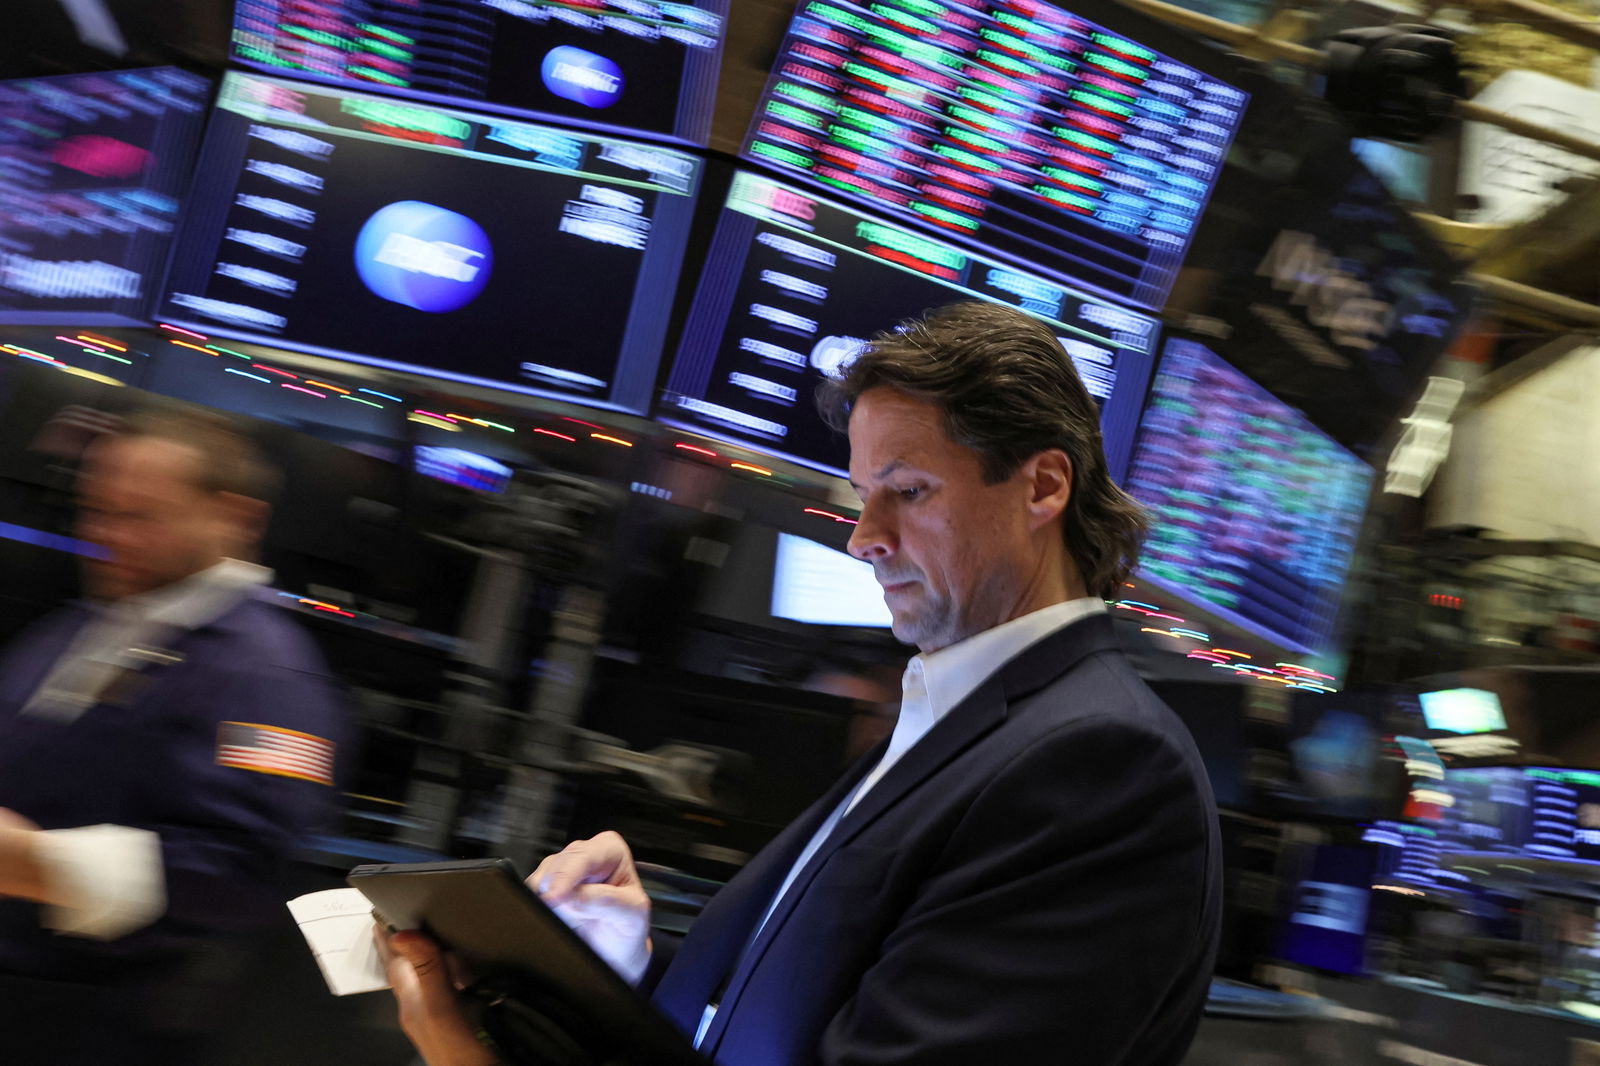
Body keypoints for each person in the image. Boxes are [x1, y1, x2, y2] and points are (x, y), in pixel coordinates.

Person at [386, 301, 1222, 1065]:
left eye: (907, 491)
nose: (864, 538)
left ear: (1043, 485)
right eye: (862, 495)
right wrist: (627, 963)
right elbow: (784, 1021)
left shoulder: (1102, 763)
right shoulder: (967, 721)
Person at [0, 409, 349, 1065]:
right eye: (97, 510)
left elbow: (242, 872)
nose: (106, 535)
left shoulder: (267, 671)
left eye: (141, 516)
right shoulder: (81, 623)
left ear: (237, 518)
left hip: (101, 1023)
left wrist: (44, 865)